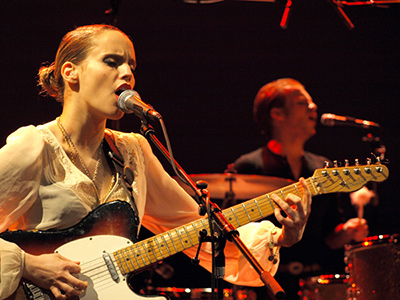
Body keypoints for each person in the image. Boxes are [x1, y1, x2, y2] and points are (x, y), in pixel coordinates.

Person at [0, 26, 312, 300]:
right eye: (112, 61)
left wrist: (279, 237)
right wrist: (28, 264)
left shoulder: (132, 152)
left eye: (131, 65)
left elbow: (196, 229)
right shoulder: (35, 146)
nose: (127, 74)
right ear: (71, 72)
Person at [230, 78, 371, 299]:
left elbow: (329, 237)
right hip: (265, 287)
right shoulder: (248, 167)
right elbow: (232, 236)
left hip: (315, 285)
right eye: (301, 102)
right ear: (277, 114)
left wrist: (347, 231)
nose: (313, 106)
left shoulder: (322, 168)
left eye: (311, 102)